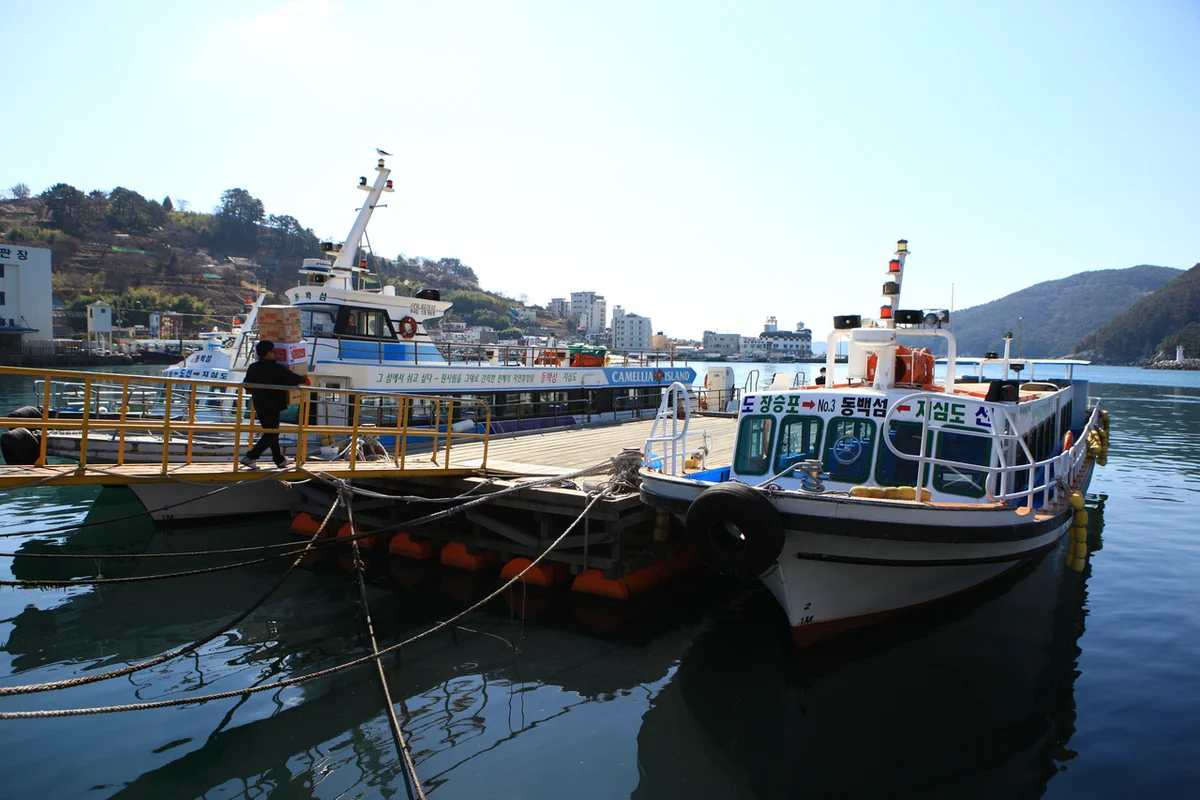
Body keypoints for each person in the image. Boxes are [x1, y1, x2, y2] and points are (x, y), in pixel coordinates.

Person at [240, 340, 309, 470]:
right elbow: (292, 378)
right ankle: (250, 457)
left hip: (259, 404)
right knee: (272, 432)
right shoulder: (275, 368)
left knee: (271, 431)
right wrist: (304, 379)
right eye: (273, 351)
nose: (275, 354)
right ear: (267, 353)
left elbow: (246, 385)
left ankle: (279, 459)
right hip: (273, 404)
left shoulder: (253, 367)